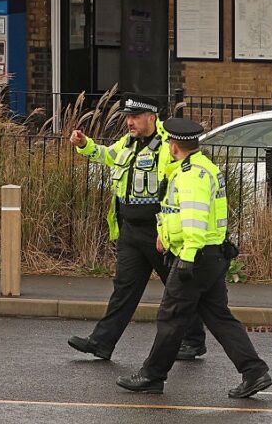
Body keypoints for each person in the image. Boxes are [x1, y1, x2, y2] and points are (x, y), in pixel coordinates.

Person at [116, 117, 272, 399]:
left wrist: (186, 259)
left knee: (171, 316)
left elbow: (195, 221)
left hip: (196, 257)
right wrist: (165, 237)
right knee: (218, 316)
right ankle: (254, 371)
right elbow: (181, 215)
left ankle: (152, 375)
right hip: (210, 255)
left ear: (174, 146)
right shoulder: (203, 167)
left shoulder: (191, 175)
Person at [68, 94, 206, 361]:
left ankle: (193, 340)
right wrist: (85, 144)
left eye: (135, 117)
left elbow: (183, 179)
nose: (129, 122)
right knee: (124, 288)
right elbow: (107, 156)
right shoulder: (127, 142)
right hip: (129, 229)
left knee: (176, 286)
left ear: (151, 118)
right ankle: (101, 342)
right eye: (128, 117)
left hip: (158, 230)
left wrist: (171, 228)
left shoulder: (168, 145)